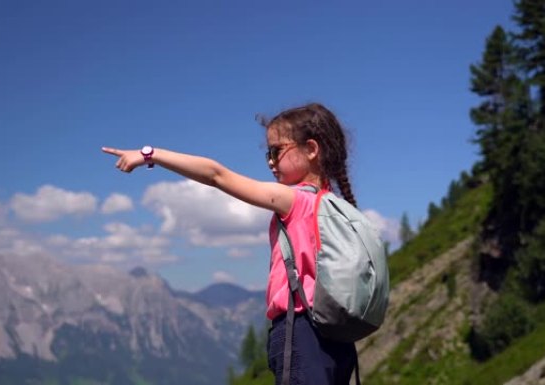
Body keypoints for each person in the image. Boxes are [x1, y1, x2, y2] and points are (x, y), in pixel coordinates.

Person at [102, 102, 358, 385]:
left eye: (276, 151)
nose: (271, 161)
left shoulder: (296, 201)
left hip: (301, 332)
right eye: (267, 154)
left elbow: (215, 175)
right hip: (336, 336)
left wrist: (149, 155)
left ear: (311, 149)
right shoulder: (334, 205)